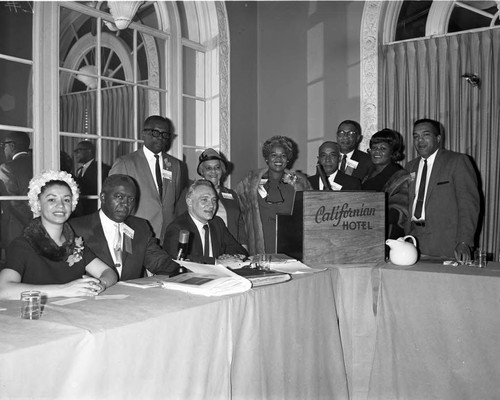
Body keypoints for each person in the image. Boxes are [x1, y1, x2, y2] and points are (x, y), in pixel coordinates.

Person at [0, 170, 117, 300]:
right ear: (37, 204)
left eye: (66, 200)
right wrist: (64, 289)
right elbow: (3, 290)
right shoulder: (23, 245)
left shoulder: (75, 244)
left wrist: (100, 284)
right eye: (51, 199)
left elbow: (108, 272)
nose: (60, 205)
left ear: (72, 205)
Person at [70, 174, 180, 280]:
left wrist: (188, 269)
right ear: (103, 197)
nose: (125, 204)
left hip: (131, 297)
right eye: (119, 197)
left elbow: (159, 263)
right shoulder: (76, 228)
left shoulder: (140, 227)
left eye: (131, 199)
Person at [406, 118, 480, 261]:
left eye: (426, 135)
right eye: (416, 136)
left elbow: (468, 205)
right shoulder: (410, 167)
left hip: (448, 245)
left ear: (438, 138)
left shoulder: (457, 161)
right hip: (414, 242)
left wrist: (464, 241)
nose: (420, 140)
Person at [109, 115, 186, 242]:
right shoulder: (125, 163)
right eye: (156, 133)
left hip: (167, 236)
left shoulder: (175, 165)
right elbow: (112, 204)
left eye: (165, 134)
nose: (161, 138)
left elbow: (175, 199)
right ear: (143, 134)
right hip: (136, 236)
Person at [236, 135, 311, 255]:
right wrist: (242, 244)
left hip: (292, 245)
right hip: (260, 245)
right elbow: (239, 213)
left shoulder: (300, 181)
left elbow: (310, 214)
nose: (278, 159)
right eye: (274, 155)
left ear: (288, 159)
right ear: (267, 158)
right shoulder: (251, 180)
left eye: (283, 155)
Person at [163, 179, 248, 264]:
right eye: (204, 200)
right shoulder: (177, 227)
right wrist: (217, 262)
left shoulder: (217, 223)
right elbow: (177, 259)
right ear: (189, 202)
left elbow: (237, 250)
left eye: (214, 200)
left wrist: (231, 257)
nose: (211, 205)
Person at [176, 148, 247, 247]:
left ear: (222, 170)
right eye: (208, 168)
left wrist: (243, 249)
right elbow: (181, 222)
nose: (213, 171)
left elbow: (240, 225)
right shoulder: (190, 193)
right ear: (202, 171)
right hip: (203, 248)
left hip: (230, 250)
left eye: (217, 167)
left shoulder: (231, 195)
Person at [361, 129, 410, 239]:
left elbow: (398, 212)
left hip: (388, 236)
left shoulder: (400, 176)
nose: (376, 152)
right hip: (365, 231)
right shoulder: (367, 174)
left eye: (383, 148)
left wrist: (366, 215)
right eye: (374, 148)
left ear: (393, 152)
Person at [0, 131, 33, 248]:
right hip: (43, 224)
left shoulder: (6, 168)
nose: (4, 149)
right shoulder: (39, 163)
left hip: (16, 229)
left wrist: (31, 225)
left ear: (12, 146)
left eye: (4, 145)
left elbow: (13, 202)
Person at [73, 140, 111, 216]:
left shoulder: (102, 168)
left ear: (89, 151)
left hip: (95, 211)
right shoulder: (79, 170)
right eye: (75, 151)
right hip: (82, 213)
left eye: (79, 150)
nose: (76, 153)